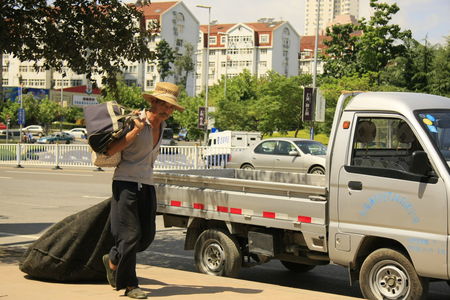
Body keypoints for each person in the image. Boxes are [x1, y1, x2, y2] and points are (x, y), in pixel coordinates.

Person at [102, 82, 184, 299]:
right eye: (165, 105)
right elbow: (111, 150)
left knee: (145, 236)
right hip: (125, 182)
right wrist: (137, 129)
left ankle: (113, 259)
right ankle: (130, 285)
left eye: (171, 107)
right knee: (130, 236)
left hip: (147, 184)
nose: (168, 111)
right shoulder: (135, 121)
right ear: (154, 102)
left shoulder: (163, 127)